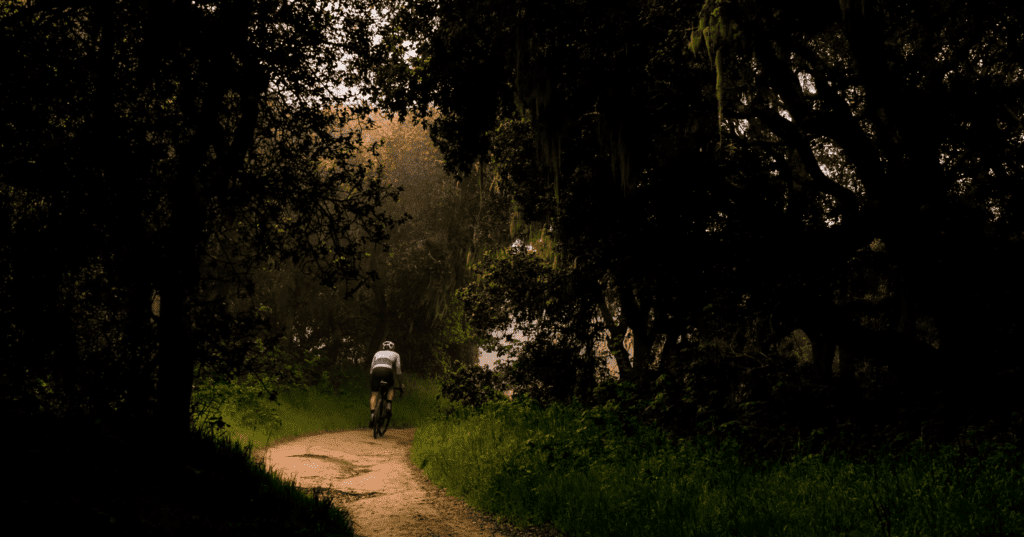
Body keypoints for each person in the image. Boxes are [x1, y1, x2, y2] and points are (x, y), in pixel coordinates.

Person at [369, 340, 403, 427]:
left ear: (383, 347)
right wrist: (400, 384)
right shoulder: (396, 354)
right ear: (392, 348)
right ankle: (388, 405)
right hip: (387, 371)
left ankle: (372, 415)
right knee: (391, 388)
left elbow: (371, 370)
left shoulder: (377, 353)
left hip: (376, 372)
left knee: (374, 394)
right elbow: (398, 370)